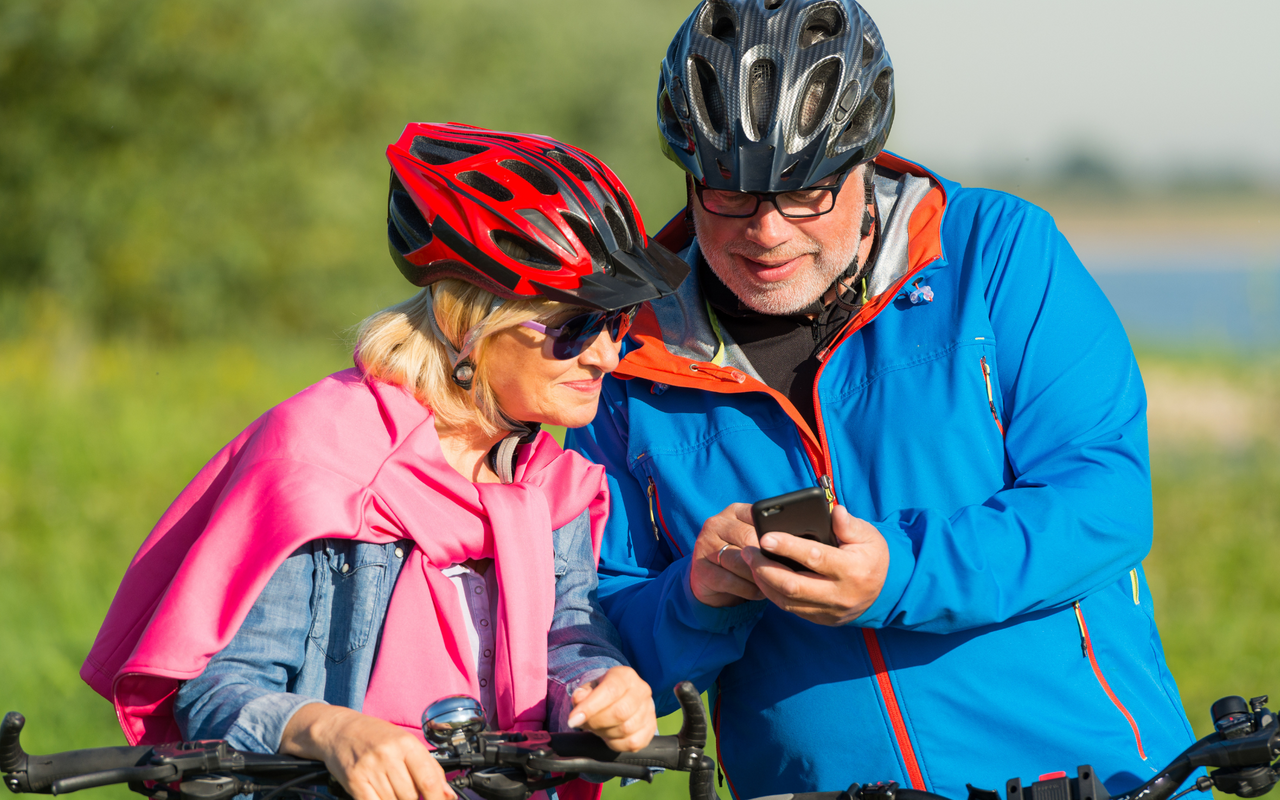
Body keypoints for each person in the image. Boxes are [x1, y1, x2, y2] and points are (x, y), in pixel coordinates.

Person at [565, 2, 1197, 798]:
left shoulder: (997, 252)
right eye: (728, 192)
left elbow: (1104, 504)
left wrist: (898, 573)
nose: (766, 229)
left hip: (1088, 779)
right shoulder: (620, 353)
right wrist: (695, 596)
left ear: (864, 160)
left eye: (806, 193)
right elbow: (601, 632)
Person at [80, 123, 690, 800]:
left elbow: (566, 637)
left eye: (617, 322)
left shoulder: (545, 480)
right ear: (469, 325)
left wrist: (604, 682)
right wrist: (334, 732)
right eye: (574, 328)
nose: (606, 355)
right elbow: (217, 697)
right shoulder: (327, 463)